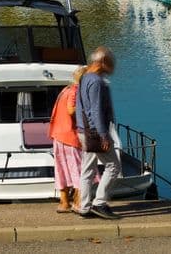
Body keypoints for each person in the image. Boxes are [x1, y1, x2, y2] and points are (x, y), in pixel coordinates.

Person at [76, 47, 121, 220]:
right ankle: (99, 203)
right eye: (111, 62)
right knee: (113, 166)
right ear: (102, 62)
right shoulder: (96, 82)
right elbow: (95, 110)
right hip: (94, 132)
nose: (113, 67)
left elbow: (83, 108)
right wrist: (103, 135)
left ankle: (84, 206)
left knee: (87, 170)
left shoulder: (85, 77)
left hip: (84, 130)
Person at [47, 68, 84, 213]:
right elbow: (71, 110)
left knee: (62, 169)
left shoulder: (65, 89)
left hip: (58, 134)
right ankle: (79, 202)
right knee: (78, 169)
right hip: (70, 135)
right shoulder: (75, 91)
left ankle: (64, 203)